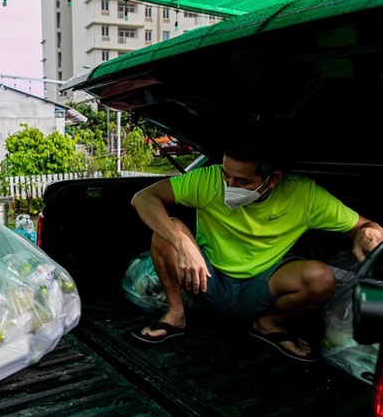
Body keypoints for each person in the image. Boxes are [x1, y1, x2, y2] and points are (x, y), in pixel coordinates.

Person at [130, 135, 383, 362]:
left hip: (259, 290)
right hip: (207, 280)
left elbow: (364, 225)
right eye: (226, 174)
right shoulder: (207, 179)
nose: (229, 184)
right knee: (166, 233)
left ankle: (267, 324)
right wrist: (182, 242)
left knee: (321, 278)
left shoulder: (305, 196)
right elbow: (143, 197)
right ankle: (176, 313)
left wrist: (371, 231)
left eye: (242, 180)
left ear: (273, 179)